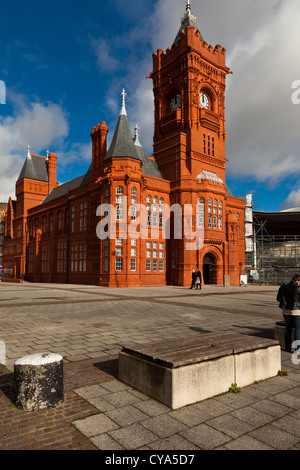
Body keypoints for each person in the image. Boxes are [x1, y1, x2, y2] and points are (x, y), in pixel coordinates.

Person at [277, 273, 300, 352]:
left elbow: (278, 298)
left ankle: (287, 348)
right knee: (297, 330)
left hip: (285, 311)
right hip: (296, 312)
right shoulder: (298, 288)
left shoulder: (283, 287)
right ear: (298, 281)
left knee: (288, 329)